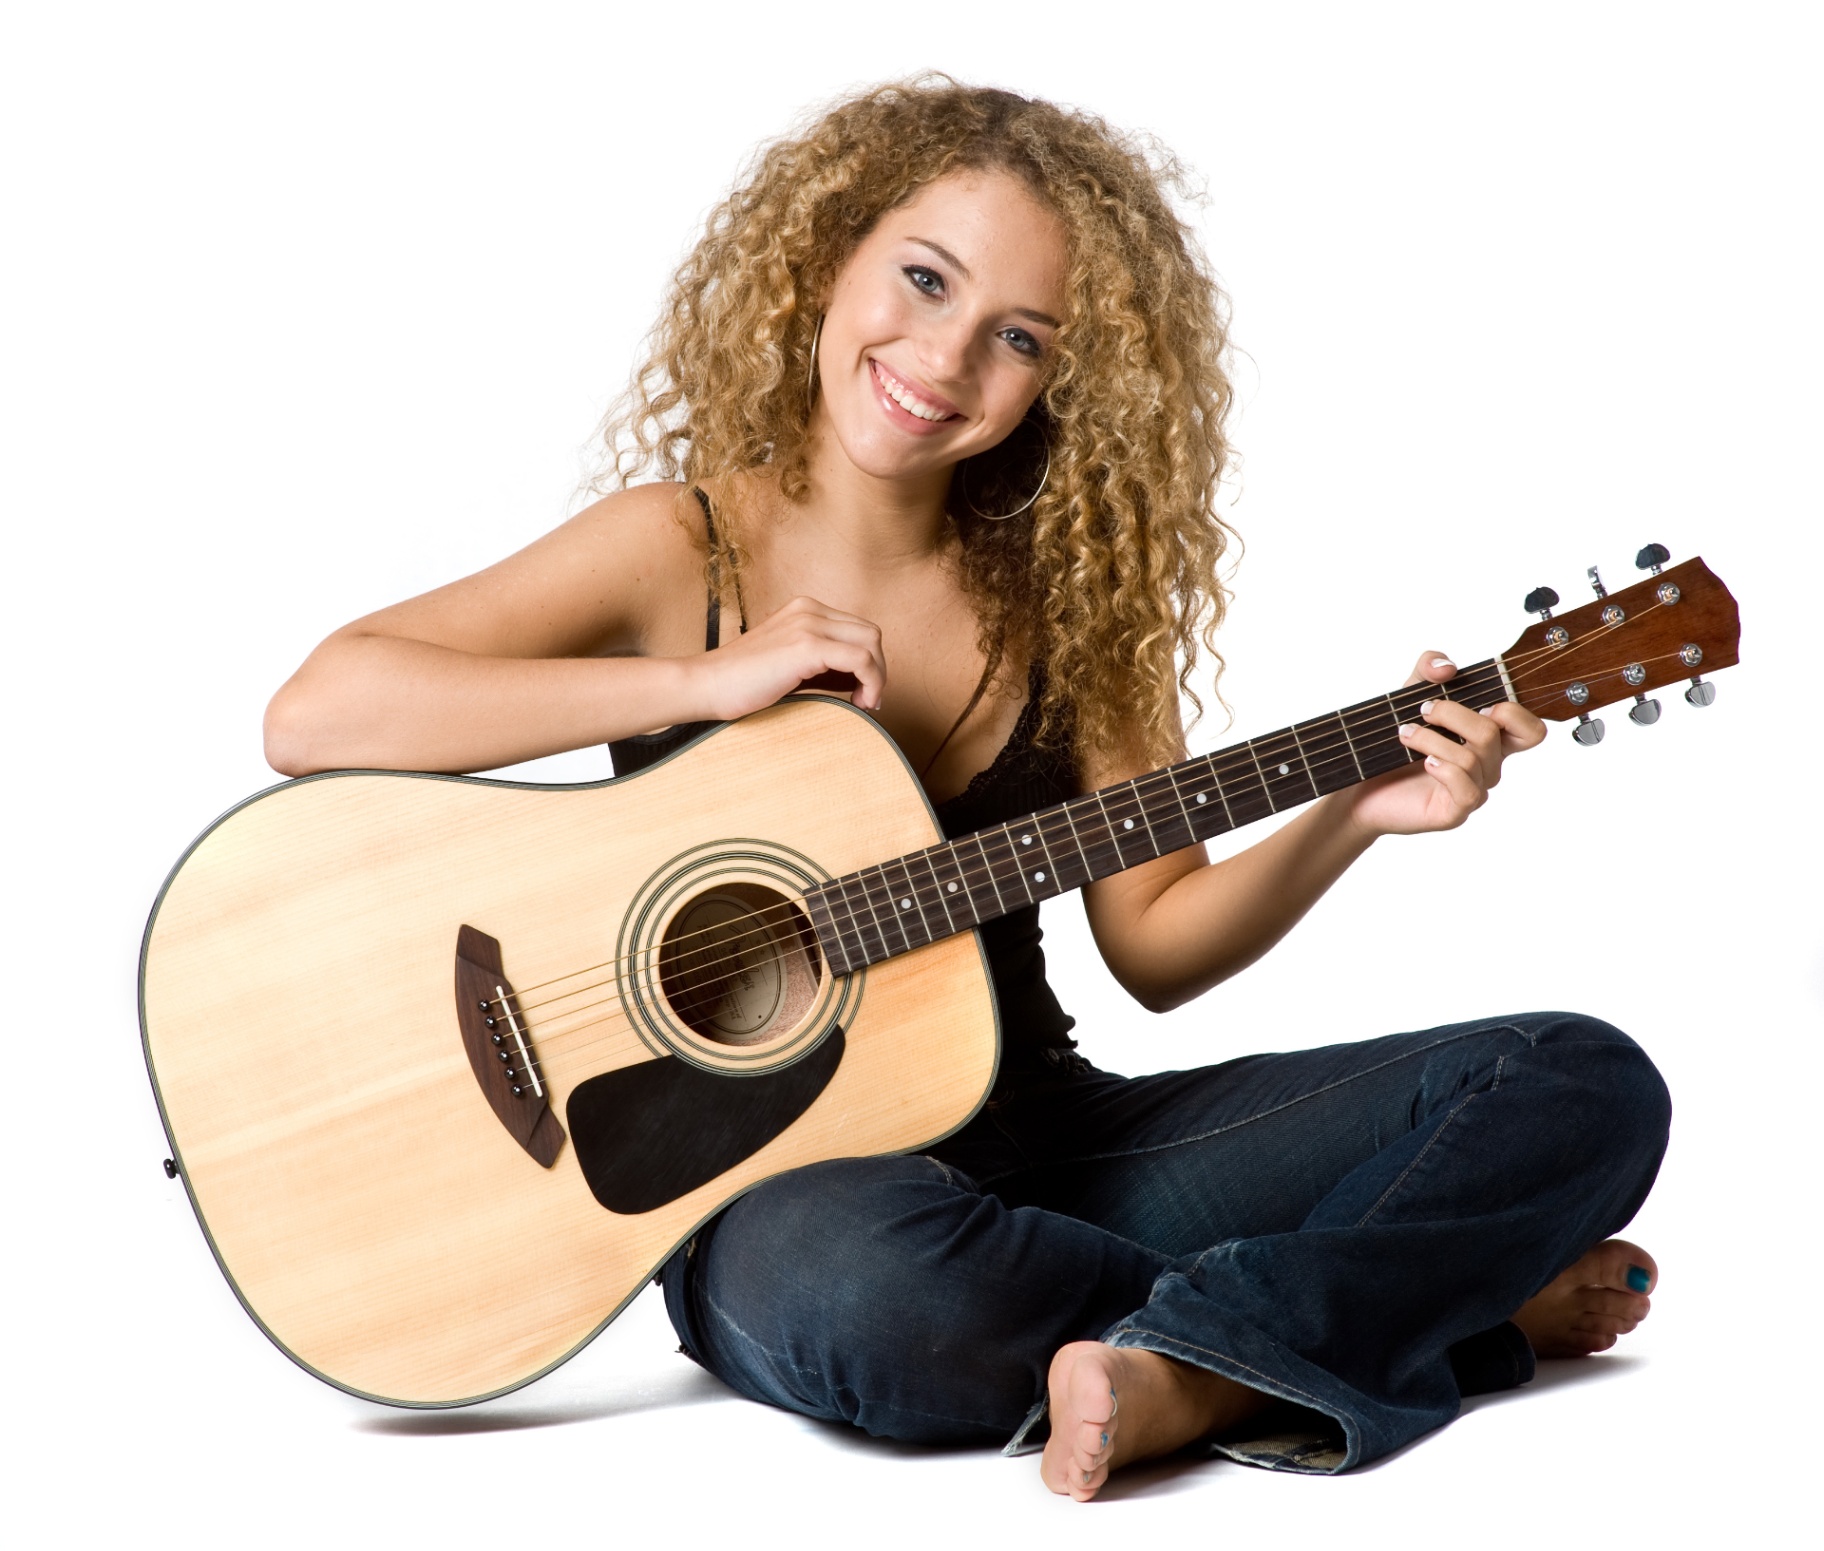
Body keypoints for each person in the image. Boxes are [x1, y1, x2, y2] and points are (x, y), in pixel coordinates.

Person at [263, 79, 1669, 1500]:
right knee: (876, 1304)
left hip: (1045, 1142)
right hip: (768, 1204)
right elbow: (321, 711)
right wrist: (702, 681)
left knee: (1581, 1084)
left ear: (1063, 381)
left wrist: (1345, 817)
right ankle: (1421, 1311)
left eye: (1018, 339)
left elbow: (1158, 946)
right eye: (923, 281)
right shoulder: (676, 549)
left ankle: (1205, 1361)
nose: (942, 356)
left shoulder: (1076, 613)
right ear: (828, 261)